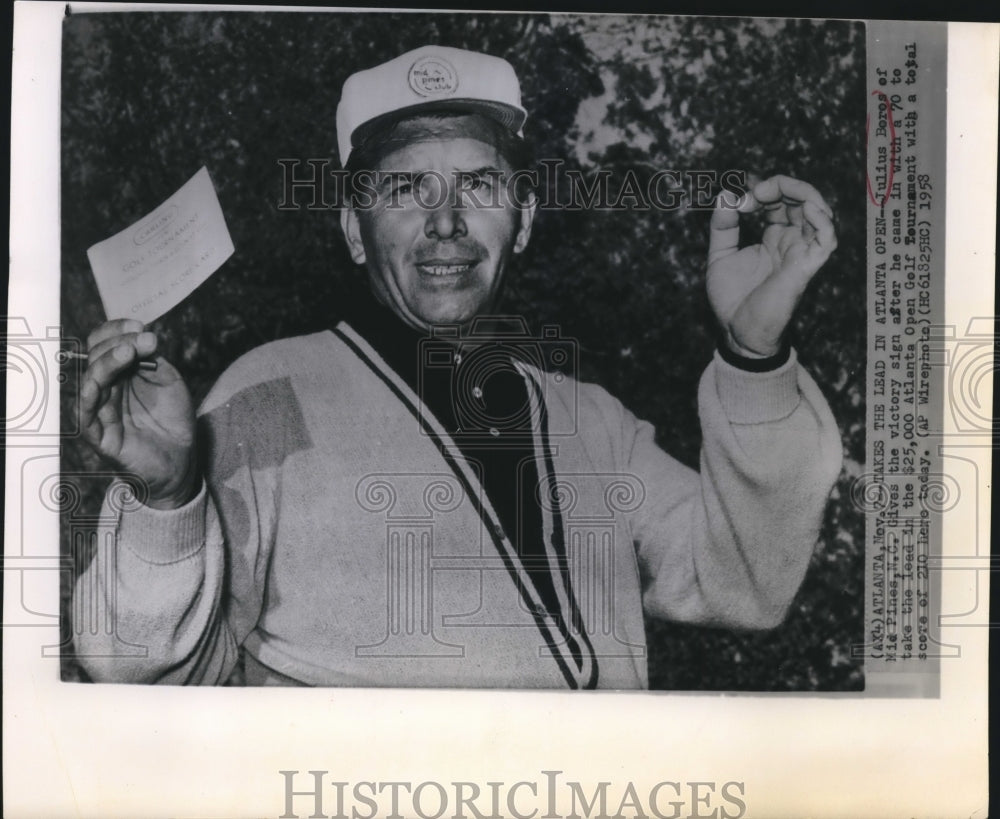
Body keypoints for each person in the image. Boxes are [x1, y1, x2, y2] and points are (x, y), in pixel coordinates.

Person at [74, 45, 842, 689]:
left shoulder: (594, 422)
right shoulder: (268, 396)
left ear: (525, 219)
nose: (447, 222)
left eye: (479, 184)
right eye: (408, 188)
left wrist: (753, 355)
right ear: (353, 229)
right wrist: (168, 500)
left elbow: (746, 582)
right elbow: (133, 669)